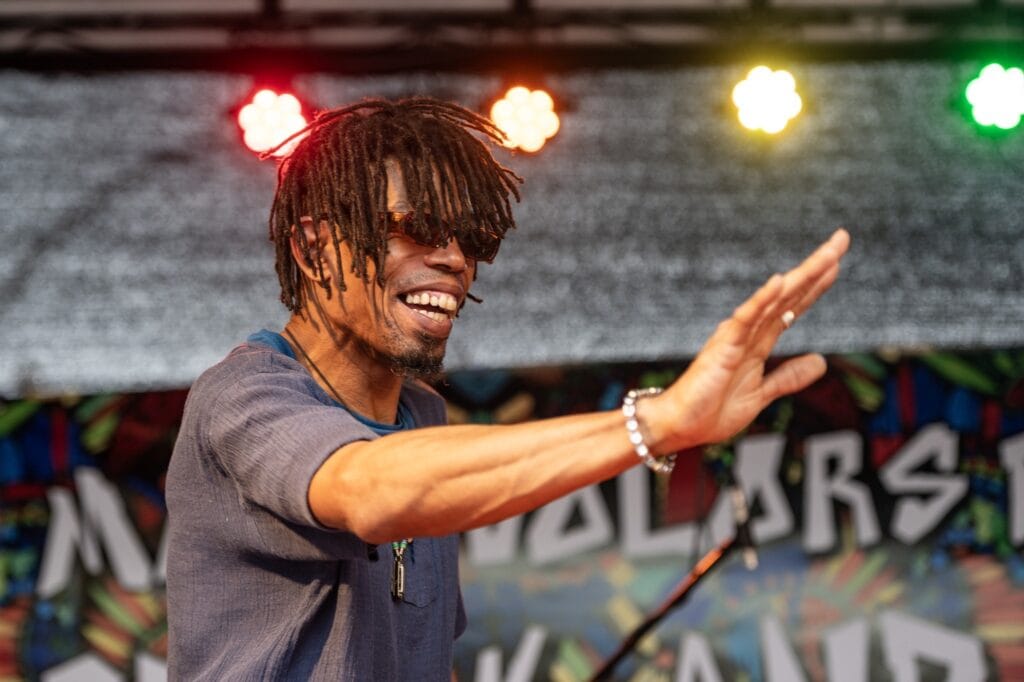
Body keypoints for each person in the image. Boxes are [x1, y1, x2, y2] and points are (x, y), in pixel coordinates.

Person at [165, 97, 850, 680]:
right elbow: (371, 492)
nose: (456, 259)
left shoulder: (419, 418)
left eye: (473, 237)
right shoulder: (247, 393)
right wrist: (660, 423)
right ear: (315, 251)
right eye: (418, 229)